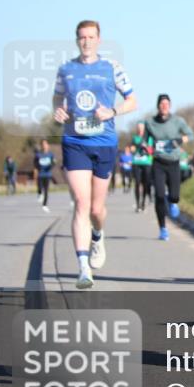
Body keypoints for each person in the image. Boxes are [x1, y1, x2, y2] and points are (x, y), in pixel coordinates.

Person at [53, 20, 137, 289]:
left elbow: (133, 100)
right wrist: (59, 111)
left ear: (99, 40)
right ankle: (83, 267)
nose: (86, 41)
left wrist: (112, 112)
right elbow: (57, 98)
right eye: (82, 37)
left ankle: (98, 235)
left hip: (104, 142)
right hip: (74, 140)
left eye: (91, 37)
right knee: (81, 202)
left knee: (97, 209)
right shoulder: (66, 69)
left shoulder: (112, 68)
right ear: (76, 40)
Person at [144, 94, 194, 241]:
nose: (164, 106)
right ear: (158, 106)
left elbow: (191, 135)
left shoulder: (178, 121)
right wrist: (145, 147)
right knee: (159, 196)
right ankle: (163, 228)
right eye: (162, 104)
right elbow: (145, 141)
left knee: (174, 196)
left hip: (173, 162)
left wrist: (180, 139)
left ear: (170, 106)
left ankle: (171, 201)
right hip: (158, 162)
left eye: (167, 104)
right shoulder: (150, 122)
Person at [131, 122, 154, 212]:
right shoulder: (135, 138)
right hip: (136, 162)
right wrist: (136, 146)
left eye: (142, 128)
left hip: (147, 163)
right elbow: (132, 148)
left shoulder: (149, 139)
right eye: (139, 128)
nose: (140, 130)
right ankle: (137, 204)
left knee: (146, 183)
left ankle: (143, 202)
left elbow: (152, 151)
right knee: (137, 183)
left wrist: (146, 148)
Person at [33, 140, 56, 212]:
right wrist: (37, 169)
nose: (44, 146)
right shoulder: (38, 155)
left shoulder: (51, 154)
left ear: (48, 145)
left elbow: (53, 162)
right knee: (40, 187)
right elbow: (35, 163)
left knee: (46, 190)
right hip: (40, 174)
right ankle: (39, 193)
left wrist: (52, 164)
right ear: (41, 146)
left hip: (47, 174)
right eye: (43, 144)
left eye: (45, 144)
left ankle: (45, 205)